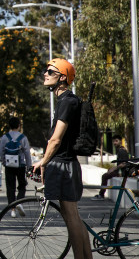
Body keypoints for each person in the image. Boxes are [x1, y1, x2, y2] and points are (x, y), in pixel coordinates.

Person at [31, 58, 92, 259]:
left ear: (62, 77)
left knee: (71, 217)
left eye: (50, 71)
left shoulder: (67, 101)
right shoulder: (66, 101)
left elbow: (56, 140)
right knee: (73, 217)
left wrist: (43, 161)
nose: (45, 74)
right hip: (67, 165)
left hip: (64, 165)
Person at [0, 116, 33, 216]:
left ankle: (12, 209)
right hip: (20, 165)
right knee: (22, 185)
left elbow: (1, 151)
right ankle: (19, 201)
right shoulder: (23, 138)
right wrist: (29, 166)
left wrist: (3, 161)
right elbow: (27, 153)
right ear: (19, 125)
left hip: (9, 165)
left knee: (10, 187)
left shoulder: (5, 137)